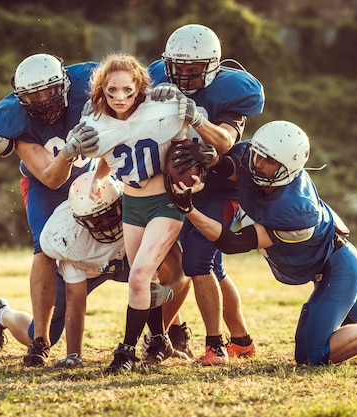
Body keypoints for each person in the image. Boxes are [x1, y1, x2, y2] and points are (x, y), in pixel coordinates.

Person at [166, 120, 357, 365]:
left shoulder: (294, 209)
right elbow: (238, 168)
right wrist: (215, 159)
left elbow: (231, 242)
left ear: (288, 167)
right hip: (325, 263)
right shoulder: (257, 161)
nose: (258, 163)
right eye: (258, 155)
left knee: (312, 354)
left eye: (269, 161)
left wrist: (188, 208)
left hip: (336, 268)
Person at [147, 24, 265, 365]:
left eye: (192, 69)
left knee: (197, 263)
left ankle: (214, 345)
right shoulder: (157, 76)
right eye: (178, 68)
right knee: (212, 266)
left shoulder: (232, 91)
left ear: (211, 66)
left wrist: (196, 118)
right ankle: (240, 339)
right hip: (175, 183)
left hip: (216, 187)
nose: (183, 75)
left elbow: (226, 140)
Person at [0, 171, 176, 367]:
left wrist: (165, 326)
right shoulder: (68, 238)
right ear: (80, 220)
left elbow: (165, 275)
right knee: (37, 334)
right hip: (87, 269)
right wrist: (73, 355)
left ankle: (163, 337)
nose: (107, 225)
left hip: (125, 263)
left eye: (110, 214)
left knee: (153, 273)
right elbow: (75, 300)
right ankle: (2, 314)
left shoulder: (135, 214)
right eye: (97, 221)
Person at [75, 52, 189, 374]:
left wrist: (177, 99)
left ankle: (125, 353)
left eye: (127, 90)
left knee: (138, 276)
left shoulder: (158, 111)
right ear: (102, 90)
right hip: (132, 203)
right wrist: (98, 176)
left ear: (139, 86)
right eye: (111, 91)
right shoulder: (100, 120)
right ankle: (158, 340)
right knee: (147, 277)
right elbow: (113, 147)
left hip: (164, 203)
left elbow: (183, 134)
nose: (119, 97)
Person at [0, 53, 100, 366]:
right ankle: (23, 331)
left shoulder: (89, 90)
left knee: (134, 238)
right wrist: (69, 150)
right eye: (32, 96)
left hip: (94, 179)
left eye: (47, 92)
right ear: (21, 99)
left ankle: (161, 333)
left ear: (63, 86)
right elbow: (51, 179)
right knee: (46, 248)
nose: (41, 101)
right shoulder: (16, 121)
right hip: (46, 187)